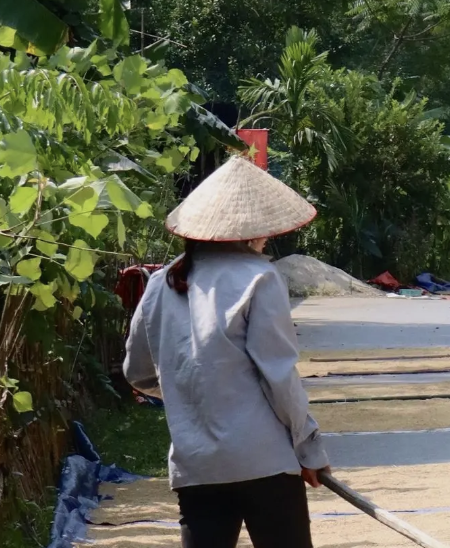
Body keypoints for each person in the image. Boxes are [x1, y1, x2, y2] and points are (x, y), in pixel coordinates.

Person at [124, 155, 329, 548]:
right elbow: (279, 377)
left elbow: (139, 373)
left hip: (197, 466)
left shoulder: (159, 285)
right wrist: (310, 448)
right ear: (248, 231)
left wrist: (197, 396)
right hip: (264, 461)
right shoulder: (259, 278)